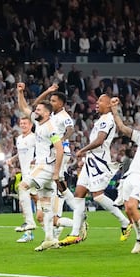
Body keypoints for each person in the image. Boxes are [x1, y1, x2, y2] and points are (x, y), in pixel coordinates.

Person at [59, 94, 132, 246]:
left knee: (98, 196)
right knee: (79, 194)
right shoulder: (101, 119)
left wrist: (82, 150)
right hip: (91, 162)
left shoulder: (108, 120)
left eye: (100, 101)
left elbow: (99, 141)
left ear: (107, 104)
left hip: (100, 163)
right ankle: (74, 234)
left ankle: (125, 221)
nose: (97, 103)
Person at [17, 82, 64, 251]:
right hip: (44, 167)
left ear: (47, 113)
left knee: (22, 187)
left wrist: (56, 172)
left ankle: (28, 223)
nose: (35, 111)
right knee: (45, 205)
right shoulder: (39, 124)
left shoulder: (50, 128)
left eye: (38, 111)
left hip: (45, 167)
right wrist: (20, 92)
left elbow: (59, 150)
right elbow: (23, 107)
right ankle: (50, 238)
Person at [34, 84, 81, 240]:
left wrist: (61, 141)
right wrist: (47, 91)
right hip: (52, 153)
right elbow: (36, 105)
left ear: (61, 103)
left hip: (61, 151)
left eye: (54, 100)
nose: (51, 103)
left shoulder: (64, 117)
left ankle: (68, 213)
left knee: (55, 181)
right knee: (57, 182)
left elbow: (71, 130)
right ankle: (68, 212)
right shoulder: (51, 115)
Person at [110, 97, 140, 253]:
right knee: (128, 210)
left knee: (132, 206)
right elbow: (122, 128)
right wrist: (114, 110)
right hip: (131, 176)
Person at [7, 116, 37, 243]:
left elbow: (42, 150)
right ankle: (29, 233)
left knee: (35, 200)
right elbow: (20, 153)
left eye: (25, 123)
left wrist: (37, 159)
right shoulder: (19, 139)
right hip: (25, 173)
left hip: (35, 173)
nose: (23, 125)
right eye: (21, 123)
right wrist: (12, 159)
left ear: (31, 125)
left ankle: (53, 225)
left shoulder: (34, 138)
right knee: (25, 202)